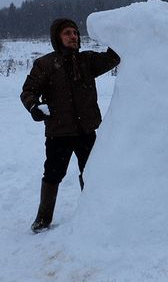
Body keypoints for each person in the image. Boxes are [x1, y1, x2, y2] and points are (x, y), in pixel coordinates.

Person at [21, 18, 121, 233]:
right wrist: (34, 107)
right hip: (59, 132)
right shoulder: (45, 64)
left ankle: (93, 213)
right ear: (57, 37)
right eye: (68, 33)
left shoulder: (87, 60)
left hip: (87, 130)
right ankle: (43, 219)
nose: (73, 36)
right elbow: (28, 91)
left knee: (92, 173)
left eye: (75, 33)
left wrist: (121, 33)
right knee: (53, 174)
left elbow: (113, 58)